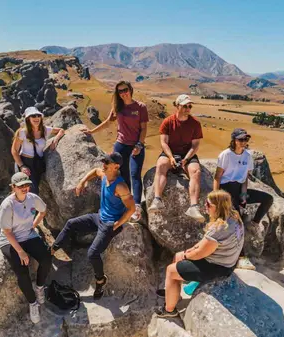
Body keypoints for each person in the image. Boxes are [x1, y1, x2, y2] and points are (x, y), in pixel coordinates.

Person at [51, 152, 136, 300]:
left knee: (92, 253)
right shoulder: (104, 175)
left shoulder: (121, 186)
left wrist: (117, 225)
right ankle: (52, 249)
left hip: (110, 224)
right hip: (99, 217)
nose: (103, 165)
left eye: (107, 163)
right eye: (104, 162)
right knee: (71, 224)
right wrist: (82, 182)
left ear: (116, 166)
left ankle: (101, 280)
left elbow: (131, 209)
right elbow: (95, 171)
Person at [154, 190, 244, 317]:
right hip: (228, 261)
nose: (205, 206)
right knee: (177, 256)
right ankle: (173, 293)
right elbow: (204, 243)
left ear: (218, 207)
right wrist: (186, 252)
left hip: (219, 268)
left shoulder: (219, 229)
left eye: (208, 204)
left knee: (170, 270)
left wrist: (186, 255)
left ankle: (169, 310)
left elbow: (200, 254)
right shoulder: (234, 217)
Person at [83, 81, 147, 222]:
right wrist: (91, 131)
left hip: (136, 146)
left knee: (135, 174)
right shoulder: (118, 107)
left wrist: (139, 145)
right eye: (120, 91)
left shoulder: (140, 107)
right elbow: (107, 122)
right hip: (120, 145)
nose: (123, 93)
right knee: (122, 175)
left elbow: (143, 128)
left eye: (125, 89)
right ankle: (125, 206)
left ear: (130, 89)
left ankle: (136, 208)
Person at [213, 128, 273, 269]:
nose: (244, 142)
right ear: (233, 140)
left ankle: (254, 223)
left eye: (246, 139)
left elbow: (245, 177)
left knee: (268, 199)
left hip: (239, 189)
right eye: (241, 139)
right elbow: (217, 176)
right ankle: (241, 257)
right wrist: (215, 197)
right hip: (226, 190)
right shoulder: (225, 155)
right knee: (237, 221)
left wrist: (244, 195)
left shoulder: (247, 156)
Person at [0, 172, 53, 324]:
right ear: (13, 187)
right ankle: (32, 303)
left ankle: (40, 287)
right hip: (10, 240)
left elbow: (43, 210)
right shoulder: (7, 205)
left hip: (28, 235)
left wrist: (34, 225)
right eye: (21, 186)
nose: (25, 188)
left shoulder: (32, 198)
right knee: (22, 272)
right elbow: (7, 232)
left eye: (27, 185)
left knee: (46, 259)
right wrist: (21, 252)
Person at [148, 94, 205, 222]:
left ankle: (194, 207)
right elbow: (164, 143)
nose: (188, 109)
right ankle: (157, 200)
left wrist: (186, 159)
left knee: (196, 171)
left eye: (189, 106)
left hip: (187, 154)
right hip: (170, 152)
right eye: (185, 106)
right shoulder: (168, 122)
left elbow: (195, 145)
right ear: (177, 106)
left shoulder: (195, 124)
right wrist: (171, 157)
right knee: (161, 165)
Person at [11, 106, 65, 193]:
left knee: (35, 189)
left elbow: (61, 130)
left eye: (38, 115)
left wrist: (55, 140)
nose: (36, 118)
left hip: (38, 163)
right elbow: (14, 151)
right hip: (25, 162)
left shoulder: (45, 130)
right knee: (30, 190)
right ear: (28, 119)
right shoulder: (22, 132)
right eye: (33, 116)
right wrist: (22, 166)